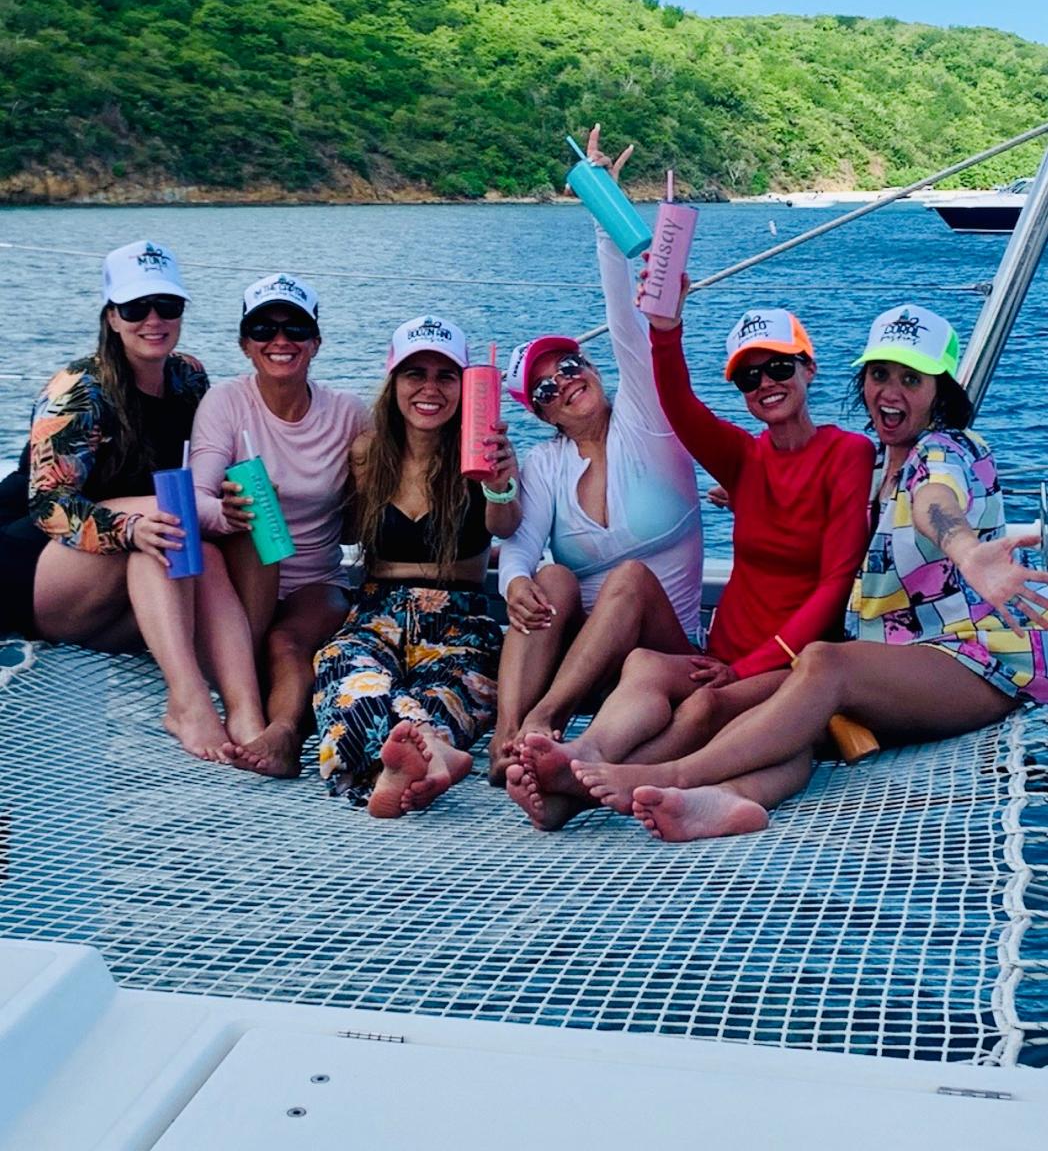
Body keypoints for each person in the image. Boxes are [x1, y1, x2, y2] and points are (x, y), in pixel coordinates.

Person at [587, 303, 1048, 843]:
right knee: (774, 719)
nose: (890, 391)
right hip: (896, 662)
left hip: (977, 656)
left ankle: (672, 776)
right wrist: (748, 501)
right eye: (880, 374)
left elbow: (936, 503)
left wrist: (966, 549)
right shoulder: (875, 461)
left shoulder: (942, 451)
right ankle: (725, 800)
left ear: (940, 389)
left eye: (911, 379)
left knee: (823, 664)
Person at [511, 293, 875, 829]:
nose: (767, 383)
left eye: (779, 367)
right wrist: (665, 328)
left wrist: (745, 668)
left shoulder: (849, 453)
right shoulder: (745, 459)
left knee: (705, 708)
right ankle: (585, 751)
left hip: (790, 662)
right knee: (643, 665)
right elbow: (678, 403)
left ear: (808, 368)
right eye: (749, 378)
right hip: (719, 652)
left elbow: (835, 583)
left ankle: (579, 792)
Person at [491, 126, 703, 783]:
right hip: (588, 656)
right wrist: (516, 583)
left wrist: (604, 214)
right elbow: (520, 547)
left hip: (664, 652)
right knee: (549, 578)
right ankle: (504, 746)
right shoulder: (548, 464)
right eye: (547, 386)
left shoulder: (647, 419)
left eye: (572, 364)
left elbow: (625, 323)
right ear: (543, 411)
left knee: (630, 579)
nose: (567, 380)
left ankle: (543, 721)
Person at [1, 240, 266, 761]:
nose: (153, 319)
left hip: (124, 569)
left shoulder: (188, 377)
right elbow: (48, 505)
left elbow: (200, 472)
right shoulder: (79, 389)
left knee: (206, 549)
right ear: (112, 317)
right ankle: (188, 702)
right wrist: (128, 529)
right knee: (163, 528)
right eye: (135, 307)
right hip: (34, 561)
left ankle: (247, 711)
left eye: (167, 306)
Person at [312, 315, 521, 816]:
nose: (429, 389)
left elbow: (508, 525)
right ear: (394, 381)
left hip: (461, 619)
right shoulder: (366, 454)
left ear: (465, 386)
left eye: (445, 376)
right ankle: (427, 760)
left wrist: (499, 482)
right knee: (349, 681)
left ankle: (400, 767)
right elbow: (333, 529)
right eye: (415, 374)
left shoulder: (480, 452)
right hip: (376, 615)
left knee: (450, 694)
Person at [190, 273, 370, 778]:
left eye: (295, 329)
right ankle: (245, 684)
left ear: (316, 342)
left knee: (286, 643)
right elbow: (198, 499)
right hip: (243, 578)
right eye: (263, 329)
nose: (280, 341)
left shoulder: (350, 414)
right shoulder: (226, 402)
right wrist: (226, 514)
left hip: (315, 578)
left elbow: (364, 525)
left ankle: (284, 735)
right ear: (245, 344)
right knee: (250, 520)